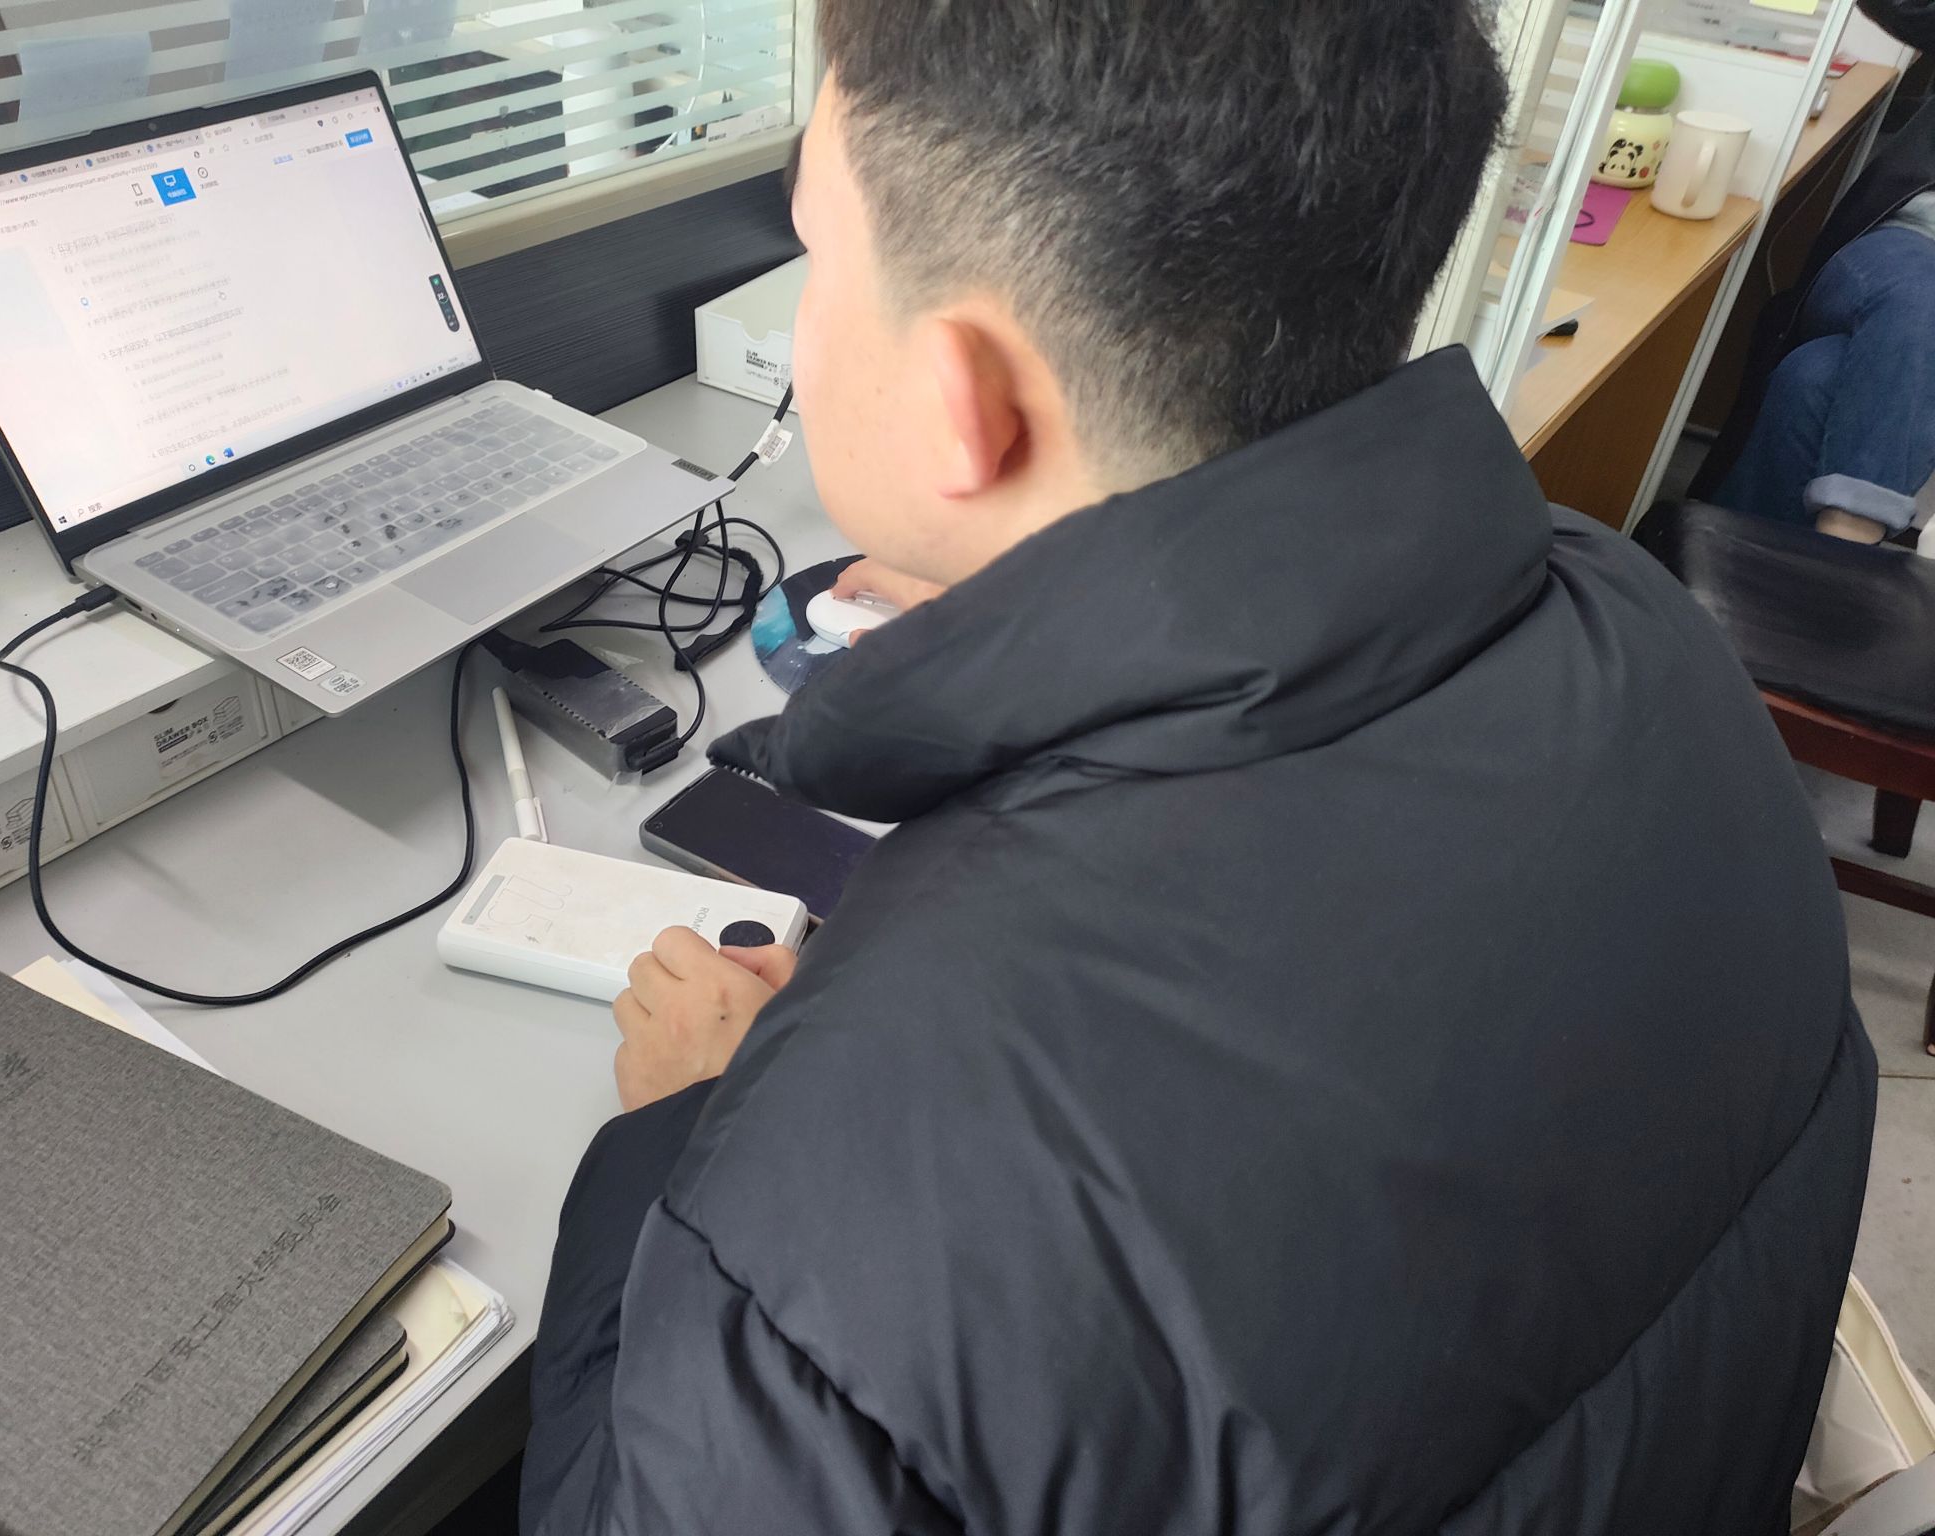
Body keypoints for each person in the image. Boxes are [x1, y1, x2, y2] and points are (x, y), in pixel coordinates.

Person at [522, 4, 1877, 1533]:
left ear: (967, 403)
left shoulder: (843, 1196)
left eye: (817, 256)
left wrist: (689, 1133)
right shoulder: (1646, 630)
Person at [1702, 0, 1935, 540]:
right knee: (1922, 297)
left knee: (1814, 377)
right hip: (1897, 253)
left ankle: (1734, 555)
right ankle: (1844, 553)